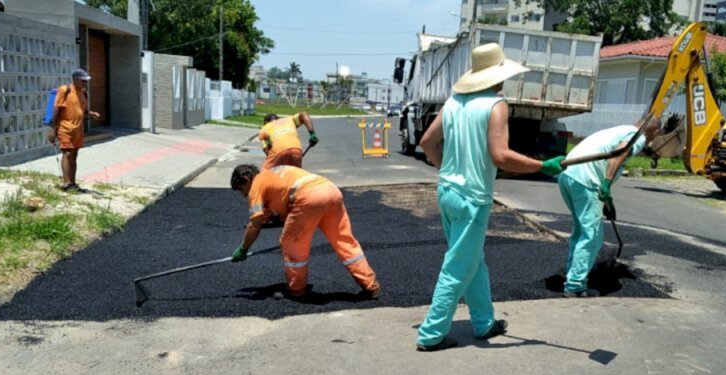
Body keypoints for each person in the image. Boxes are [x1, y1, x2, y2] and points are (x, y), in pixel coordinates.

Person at [415, 43, 567, 352]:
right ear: (499, 75)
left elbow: (427, 142)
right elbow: (500, 156)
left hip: (447, 193)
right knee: (458, 266)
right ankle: (431, 334)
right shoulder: (497, 105)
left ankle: (484, 322)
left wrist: (448, 169)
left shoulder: (454, 102)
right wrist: (541, 166)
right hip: (472, 199)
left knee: (473, 261)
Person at [230, 164, 381, 300]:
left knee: (291, 242)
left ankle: (296, 289)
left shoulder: (257, 183)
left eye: (242, 189)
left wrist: (243, 248)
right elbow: (270, 212)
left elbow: (255, 224)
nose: (244, 195)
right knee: (344, 241)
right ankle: (370, 286)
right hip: (331, 190)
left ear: (246, 179)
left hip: (308, 198)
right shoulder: (274, 174)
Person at [556, 116, 661, 298]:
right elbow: (620, 154)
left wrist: (606, 198)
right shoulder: (638, 137)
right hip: (585, 180)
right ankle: (575, 286)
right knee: (592, 236)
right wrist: (605, 185)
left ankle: (571, 273)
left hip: (568, 175)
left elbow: (606, 159)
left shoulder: (620, 129)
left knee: (580, 230)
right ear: (656, 132)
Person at [47, 69, 100, 192]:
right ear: (75, 79)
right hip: (65, 129)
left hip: (78, 130)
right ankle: (67, 184)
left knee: (74, 155)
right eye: (83, 81)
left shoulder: (83, 93)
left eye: (85, 81)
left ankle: (73, 183)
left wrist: (91, 114)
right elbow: (56, 110)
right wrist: (53, 129)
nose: (84, 83)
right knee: (67, 153)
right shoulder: (65, 90)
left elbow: (83, 110)